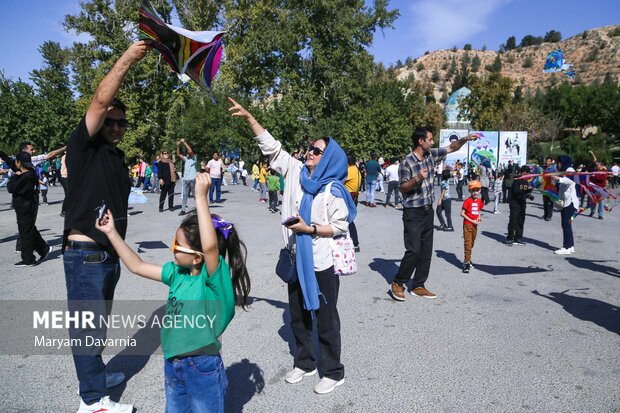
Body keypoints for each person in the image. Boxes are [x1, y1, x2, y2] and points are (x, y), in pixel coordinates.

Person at [228, 97, 356, 395]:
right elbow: (272, 147)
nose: (309, 151)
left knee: (325, 318)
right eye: (309, 147)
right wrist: (250, 119)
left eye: (316, 150)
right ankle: (305, 362)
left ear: (328, 158)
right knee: (297, 315)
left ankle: (334, 372)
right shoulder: (296, 172)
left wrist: (308, 228)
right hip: (296, 258)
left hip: (321, 262)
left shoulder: (332, 189)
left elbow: (340, 226)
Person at [95, 173, 250, 412]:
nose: (172, 248)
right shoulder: (177, 272)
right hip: (173, 363)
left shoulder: (212, 282)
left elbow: (209, 246)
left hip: (203, 367)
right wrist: (111, 233)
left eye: (177, 245)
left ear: (198, 257)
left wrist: (200, 198)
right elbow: (137, 266)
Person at [62, 41, 149, 413]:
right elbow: (99, 102)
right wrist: (128, 57)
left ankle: (95, 379)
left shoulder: (115, 156)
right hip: (86, 254)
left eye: (121, 122)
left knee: (97, 327)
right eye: (109, 122)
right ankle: (92, 403)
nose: (115, 127)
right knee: (87, 328)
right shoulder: (85, 147)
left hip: (107, 254)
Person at [390, 127, 477, 301]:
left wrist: (465, 139)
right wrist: (417, 179)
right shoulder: (407, 162)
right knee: (414, 250)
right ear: (420, 141)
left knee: (426, 251)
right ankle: (398, 283)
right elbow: (402, 188)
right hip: (413, 212)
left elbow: (452, 148)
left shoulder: (431, 155)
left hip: (427, 210)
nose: (432, 142)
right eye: (429, 139)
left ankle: (419, 285)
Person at [8, 151, 52, 267]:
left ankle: (28, 259)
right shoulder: (30, 172)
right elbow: (10, 162)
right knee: (29, 229)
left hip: (25, 208)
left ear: (18, 163)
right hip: (25, 207)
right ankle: (44, 249)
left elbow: (11, 188)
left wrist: (14, 176)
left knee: (25, 233)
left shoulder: (24, 176)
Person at [552, 155, 579, 255]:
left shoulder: (570, 170)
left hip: (570, 202)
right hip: (565, 202)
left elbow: (570, 180)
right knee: (567, 225)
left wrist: (558, 179)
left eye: (559, 162)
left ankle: (566, 247)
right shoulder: (563, 171)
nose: (558, 164)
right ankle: (571, 246)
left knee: (565, 224)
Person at [505, 165, 534, 246]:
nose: (526, 174)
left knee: (521, 221)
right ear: (522, 172)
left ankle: (518, 237)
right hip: (515, 203)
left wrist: (529, 195)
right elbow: (516, 191)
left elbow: (524, 192)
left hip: (522, 204)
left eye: (527, 173)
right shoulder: (517, 180)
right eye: (525, 172)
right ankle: (510, 238)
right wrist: (527, 191)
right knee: (513, 221)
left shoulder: (526, 181)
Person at [460, 180, 484, 273]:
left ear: (480, 190)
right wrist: (471, 220)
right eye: (473, 190)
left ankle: (468, 258)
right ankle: (466, 263)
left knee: (472, 243)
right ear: (470, 191)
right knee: (468, 244)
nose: (475, 192)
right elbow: (462, 213)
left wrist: (478, 218)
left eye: (477, 190)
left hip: (475, 225)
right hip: (467, 225)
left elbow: (478, 211)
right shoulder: (467, 201)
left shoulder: (479, 201)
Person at [344, 153, 361, 252]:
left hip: (349, 197)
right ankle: (354, 243)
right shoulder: (356, 169)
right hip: (354, 196)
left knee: (348, 221)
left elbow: (338, 180)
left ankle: (355, 243)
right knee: (348, 220)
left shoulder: (349, 170)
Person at [177, 138, 197, 216]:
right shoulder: (186, 159)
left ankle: (198, 208)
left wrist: (184, 142)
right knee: (184, 195)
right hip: (185, 180)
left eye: (188, 152)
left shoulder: (194, 159)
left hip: (192, 179)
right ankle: (183, 209)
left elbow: (190, 151)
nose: (187, 153)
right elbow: (178, 155)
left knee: (195, 195)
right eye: (187, 153)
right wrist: (178, 146)